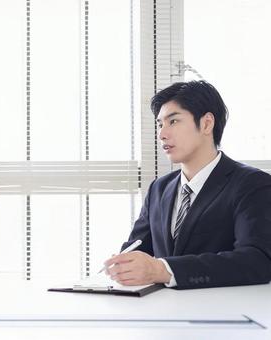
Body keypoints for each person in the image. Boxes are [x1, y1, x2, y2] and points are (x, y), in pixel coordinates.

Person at [103, 80, 271, 289]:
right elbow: (138, 248)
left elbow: (256, 261)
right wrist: (124, 265)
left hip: (225, 314)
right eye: (160, 124)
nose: (162, 134)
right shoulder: (159, 188)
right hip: (161, 313)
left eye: (173, 121)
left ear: (207, 123)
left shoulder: (251, 184)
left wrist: (163, 270)